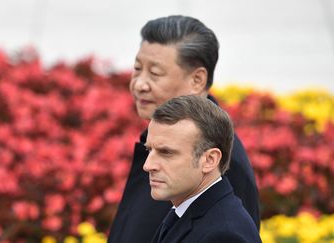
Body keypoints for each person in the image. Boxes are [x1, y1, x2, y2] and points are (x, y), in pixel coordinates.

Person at [108, 15, 260, 243]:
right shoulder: (159, 138)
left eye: (155, 73)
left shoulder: (223, 164)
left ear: (197, 80)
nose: (139, 84)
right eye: (137, 69)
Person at [144, 95, 261, 243]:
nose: (148, 165)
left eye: (166, 152)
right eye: (149, 150)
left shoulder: (223, 236)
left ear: (210, 160)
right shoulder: (189, 211)